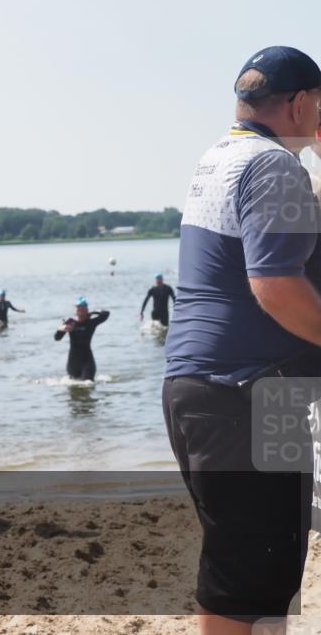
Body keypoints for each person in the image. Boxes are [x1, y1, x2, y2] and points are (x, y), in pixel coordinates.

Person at [163, 46, 321, 633]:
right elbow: (275, 285)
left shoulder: (221, 157)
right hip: (247, 392)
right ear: (300, 103)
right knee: (254, 577)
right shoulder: (274, 166)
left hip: (197, 387)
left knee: (243, 572)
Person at [54, 297, 109, 381]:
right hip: (73, 363)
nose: (80, 310)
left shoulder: (91, 322)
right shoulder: (70, 322)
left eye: (83, 308)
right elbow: (57, 338)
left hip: (87, 362)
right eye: (78, 308)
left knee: (88, 383)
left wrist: (93, 312)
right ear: (76, 311)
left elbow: (106, 314)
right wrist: (61, 329)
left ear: (87, 310)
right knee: (73, 385)